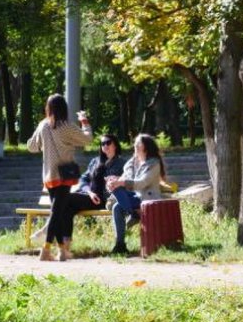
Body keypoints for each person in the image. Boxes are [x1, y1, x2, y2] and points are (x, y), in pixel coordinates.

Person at [26, 94, 93, 261]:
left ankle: (62, 251)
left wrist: (44, 143)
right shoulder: (66, 126)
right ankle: (45, 250)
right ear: (64, 108)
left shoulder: (43, 125)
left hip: (49, 175)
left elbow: (32, 147)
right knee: (56, 213)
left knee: (57, 212)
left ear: (48, 108)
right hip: (64, 175)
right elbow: (87, 139)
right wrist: (84, 121)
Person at [61, 134, 128, 250]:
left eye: (108, 142)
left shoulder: (122, 163)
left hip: (108, 200)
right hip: (92, 198)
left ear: (115, 145)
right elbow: (83, 179)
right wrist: (90, 193)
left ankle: (56, 236)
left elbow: (128, 180)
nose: (105, 145)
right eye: (102, 143)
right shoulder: (95, 161)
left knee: (66, 202)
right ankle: (65, 243)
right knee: (67, 207)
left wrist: (117, 180)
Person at [107, 133, 166, 255]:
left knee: (117, 206)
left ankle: (132, 213)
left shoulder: (154, 163)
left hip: (147, 199)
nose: (135, 145)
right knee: (116, 199)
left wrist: (121, 182)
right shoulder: (132, 162)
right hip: (133, 199)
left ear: (146, 146)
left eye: (139, 143)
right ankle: (120, 244)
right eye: (135, 143)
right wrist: (113, 182)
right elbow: (125, 178)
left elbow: (142, 183)